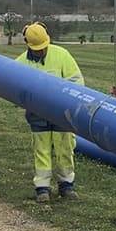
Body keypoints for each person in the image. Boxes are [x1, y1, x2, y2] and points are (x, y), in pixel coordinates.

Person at [15, 22, 84, 202]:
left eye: (44, 47)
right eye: (38, 49)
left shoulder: (62, 55)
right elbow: (14, 89)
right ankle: (42, 187)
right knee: (42, 150)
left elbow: (77, 82)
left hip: (63, 113)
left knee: (65, 149)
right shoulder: (21, 63)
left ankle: (66, 185)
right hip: (37, 114)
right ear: (28, 45)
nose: (42, 51)